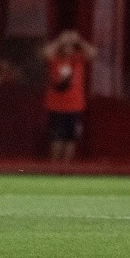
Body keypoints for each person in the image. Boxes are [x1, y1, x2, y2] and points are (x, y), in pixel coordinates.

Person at [42, 30, 97, 163]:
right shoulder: (55, 59)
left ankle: (67, 165)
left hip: (75, 106)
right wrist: (60, 39)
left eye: (70, 47)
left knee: (71, 137)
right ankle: (55, 165)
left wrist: (79, 40)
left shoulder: (78, 59)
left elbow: (93, 54)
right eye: (65, 46)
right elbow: (46, 53)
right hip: (56, 105)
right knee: (56, 137)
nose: (68, 49)